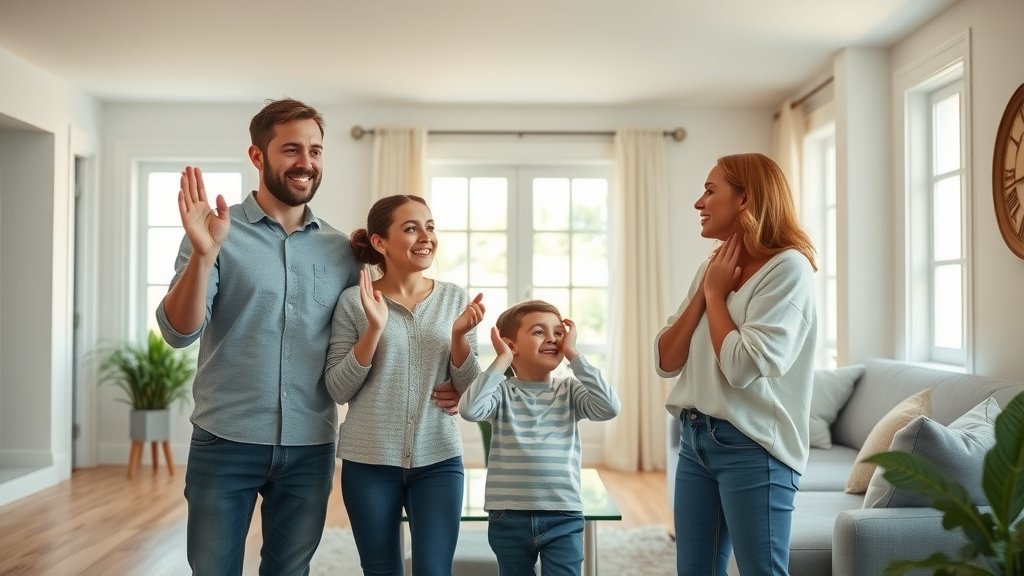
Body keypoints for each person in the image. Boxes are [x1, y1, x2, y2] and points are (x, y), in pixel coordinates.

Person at [156, 98, 361, 575]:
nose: (306, 162)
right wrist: (205, 255)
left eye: (315, 150)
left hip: (311, 444)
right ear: (257, 156)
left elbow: (361, 343)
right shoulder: (213, 234)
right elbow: (178, 333)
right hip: (225, 439)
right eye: (291, 149)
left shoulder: (341, 251)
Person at [654, 152, 817, 576]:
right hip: (695, 437)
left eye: (710, 191)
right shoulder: (713, 267)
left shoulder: (789, 269)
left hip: (754, 446)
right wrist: (707, 287)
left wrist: (714, 296)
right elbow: (666, 359)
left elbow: (741, 367)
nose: (698, 203)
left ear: (745, 200)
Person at [324, 194, 484, 576]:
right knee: (381, 571)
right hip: (368, 462)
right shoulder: (353, 302)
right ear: (380, 242)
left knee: (434, 570)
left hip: (439, 460)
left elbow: (472, 390)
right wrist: (374, 329)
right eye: (411, 228)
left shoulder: (453, 299)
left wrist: (460, 338)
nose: (425, 236)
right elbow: (337, 389)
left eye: (429, 226)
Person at [459, 299, 621, 576]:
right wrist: (501, 362)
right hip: (508, 517)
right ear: (512, 346)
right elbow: (469, 410)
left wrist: (574, 355)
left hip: (563, 514)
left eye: (559, 333)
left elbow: (609, 407)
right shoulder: (501, 393)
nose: (553, 339)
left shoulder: (570, 390)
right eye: (539, 332)